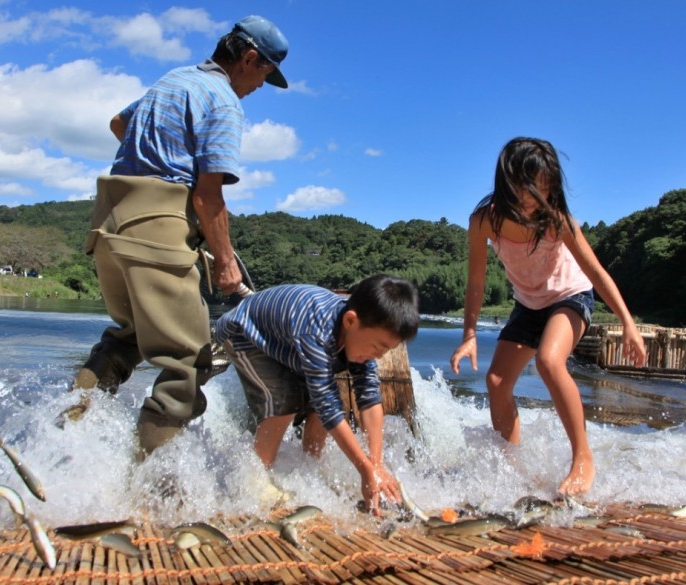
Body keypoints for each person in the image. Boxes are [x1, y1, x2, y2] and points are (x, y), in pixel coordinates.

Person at [72, 15, 290, 455]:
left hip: (110, 223)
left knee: (131, 337)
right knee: (189, 362)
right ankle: (150, 493)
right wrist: (226, 264)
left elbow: (119, 123)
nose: (262, 85)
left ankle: (64, 438)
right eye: (266, 72)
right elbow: (209, 197)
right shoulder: (224, 100)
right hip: (156, 226)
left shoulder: (175, 80)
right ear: (249, 59)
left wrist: (158, 155)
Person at [449, 137, 646, 496]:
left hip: (571, 297)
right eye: (523, 189)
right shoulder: (484, 220)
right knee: (496, 381)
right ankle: (508, 467)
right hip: (528, 304)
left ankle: (583, 458)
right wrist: (469, 334)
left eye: (540, 191)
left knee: (549, 361)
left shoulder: (557, 221)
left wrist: (628, 323)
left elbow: (597, 272)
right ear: (505, 182)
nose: (530, 200)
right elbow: (475, 281)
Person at [213, 274, 420, 515]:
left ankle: (310, 468)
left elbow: (370, 398)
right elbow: (327, 406)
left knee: (322, 408)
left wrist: (376, 464)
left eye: (386, 351)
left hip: (286, 343)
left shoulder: (358, 337)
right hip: (245, 334)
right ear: (351, 321)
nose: (379, 356)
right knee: (285, 402)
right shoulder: (317, 332)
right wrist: (364, 468)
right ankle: (255, 482)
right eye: (377, 347)